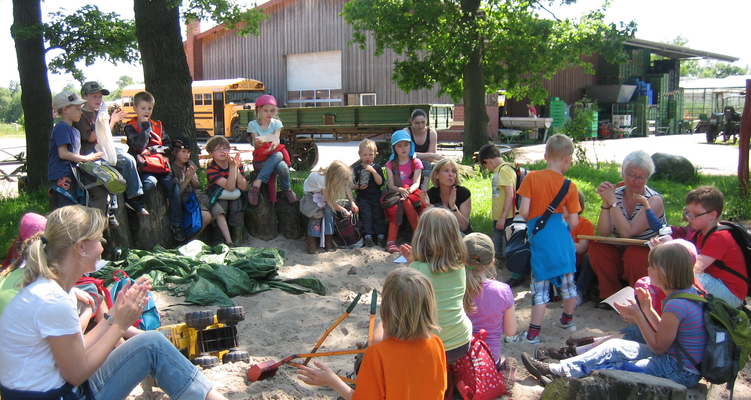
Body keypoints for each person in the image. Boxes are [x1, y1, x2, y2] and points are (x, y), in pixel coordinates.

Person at [0, 205, 228, 400]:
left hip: (58, 390)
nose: (102, 248)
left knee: (152, 343)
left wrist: (111, 317)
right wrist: (119, 325)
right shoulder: (54, 300)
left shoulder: (52, 289)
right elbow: (76, 373)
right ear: (81, 247)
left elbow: (76, 351)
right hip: (61, 394)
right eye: (99, 240)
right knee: (152, 346)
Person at [522, 242, 706, 389]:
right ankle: (558, 369)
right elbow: (665, 334)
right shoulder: (687, 294)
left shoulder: (676, 304)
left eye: (651, 266)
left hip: (679, 370)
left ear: (663, 274)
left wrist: (639, 316)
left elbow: (659, 347)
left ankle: (562, 376)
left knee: (616, 369)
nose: (648, 269)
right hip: (676, 360)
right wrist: (648, 310)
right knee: (615, 347)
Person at [297, 267, 447, 399]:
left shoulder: (377, 354)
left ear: (386, 308)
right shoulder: (436, 343)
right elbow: (440, 389)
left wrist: (332, 380)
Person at [505, 134, 581, 345]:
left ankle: (533, 335)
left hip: (541, 239)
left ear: (546, 155)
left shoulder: (531, 177)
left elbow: (524, 211)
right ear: (568, 158)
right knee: (568, 283)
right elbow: (575, 222)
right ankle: (567, 321)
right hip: (563, 240)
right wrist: (561, 225)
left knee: (540, 286)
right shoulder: (570, 186)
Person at [590, 150, 667, 306]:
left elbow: (627, 232)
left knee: (634, 253)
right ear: (623, 173)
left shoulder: (653, 200)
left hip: (649, 256)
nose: (636, 181)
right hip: (622, 250)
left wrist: (613, 202)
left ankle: (640, 298)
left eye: (641, 177)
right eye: (632, 175)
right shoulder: (616, 195)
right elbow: (604, 232)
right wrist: (606, 201)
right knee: (597, 248)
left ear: (648, 177)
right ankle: (610, 296)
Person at [399, 207, 472, 363]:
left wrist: (411, 264)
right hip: (461, 341)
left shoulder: (416, 269)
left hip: (430, 345)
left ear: (421, 236)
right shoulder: (459, 266)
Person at [74, 81, 146, 227]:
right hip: (91, 152)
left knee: (128, 159)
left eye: (100, 97)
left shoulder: (99, 112)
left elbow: (105, 134)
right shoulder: (81, 115)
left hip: (104, 148)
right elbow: (92, 138)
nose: (98, 99)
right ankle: (111, 209)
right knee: (108, 172)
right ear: (85, 97)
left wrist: (109, 122)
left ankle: (133, 197)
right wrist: (110, 121)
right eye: (94, 96)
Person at [124, 91, 184, 240]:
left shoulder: (158, 125)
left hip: (159, 164)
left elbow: (168, 146)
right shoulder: (130, 126)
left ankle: (177, 225)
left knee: (172, 186)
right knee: (150, 182)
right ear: (135, 108)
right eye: (143, 108)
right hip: (143, 166)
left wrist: (152, 150)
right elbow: (137, 147)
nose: (146, 111)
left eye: (149, 108)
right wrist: (145, 128)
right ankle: (133, 205)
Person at [463, 232, 517, 376]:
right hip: (489, 361)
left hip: (459, 363)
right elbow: (511, 331)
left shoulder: (454, 288)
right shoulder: (502, 290)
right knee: (507, 362)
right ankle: (501, 375)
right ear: (492, 261)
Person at [684, 186, 747, 308]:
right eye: (687, 212)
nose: (689, 217)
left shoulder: (719, 237)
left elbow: (694, 267)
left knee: (688, 277)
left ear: (712, 215)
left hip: (732, 294)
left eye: (695, 214)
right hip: (716, 284)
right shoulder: (698, 235)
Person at [48, 91, 105, 211]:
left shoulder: (75, 131)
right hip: (61, 176)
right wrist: (86, 158)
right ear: (65, 110)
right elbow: (63, 153)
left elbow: (75, 155)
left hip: (73, 175)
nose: (81, 112)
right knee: (66, 212)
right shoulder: (61, 127)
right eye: (77, 109)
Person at [246, 94, 297, 206]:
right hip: (261, 159)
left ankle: (259, 183)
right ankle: (286, 189)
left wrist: (273, 144)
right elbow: (256, 144)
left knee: (281, 163)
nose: (269, 113)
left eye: (272, 111)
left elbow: (276, 140)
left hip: (273, 155)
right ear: (259, 110)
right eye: (266, 110)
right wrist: (259, 143)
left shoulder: (276, 123)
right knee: (279, 156)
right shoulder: (253, 124)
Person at [477, 143, 518, 281]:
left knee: (505, 242)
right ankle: (498, 262)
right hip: (500, 216)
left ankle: (506, 266)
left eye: (486, 166)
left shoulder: (503, 170)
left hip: (505, 216)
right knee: (498, 242)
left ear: (488, 161)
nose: (488, 169)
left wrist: (503, 216)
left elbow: (510, 194)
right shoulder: (501, 169)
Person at [304, 160, 359, 253]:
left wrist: (352, 202)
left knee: (329, 212)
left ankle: (328, 241)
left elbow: (346, 188)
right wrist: (342, 210)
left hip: (324, 194)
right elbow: (330, 202)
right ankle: (312, 243)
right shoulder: (322, 179)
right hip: (312, 195)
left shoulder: (331, 177)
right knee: (317, 215)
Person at [384, 130, 424, 253]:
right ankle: (391, 241)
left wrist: (408, 191)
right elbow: (391, 185)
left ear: (410, 145)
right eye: (399, 146)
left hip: (413, 191)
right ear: (394, 148)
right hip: (397, 192)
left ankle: (420, 236)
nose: (403, 148)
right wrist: (401, 190)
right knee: (395, 208)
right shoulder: (390, 164)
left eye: (406, 145)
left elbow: (416, 183)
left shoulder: (416, 162)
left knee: (409, 202)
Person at [205, 136, 248, 247]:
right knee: (221, 206)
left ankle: (237, 238)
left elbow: (243, 187)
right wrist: (233, 167)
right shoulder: (211, 169)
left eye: (225, 148)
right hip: (217, 195)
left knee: (237, 205)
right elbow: (230, 187)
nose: (222, 151)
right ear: (211, 153)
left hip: (234, 195)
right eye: (218, 149)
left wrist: (236, 168)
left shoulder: (234, 163)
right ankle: (219, 239)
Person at [170, 137, 212, 241]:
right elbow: (177, 192)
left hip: (192, 197)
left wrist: (192, 177)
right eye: (183, 152)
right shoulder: (172, 167)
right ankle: (189, 240)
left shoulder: (189, 164)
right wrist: (187, 179)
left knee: (208, 215)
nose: (186, 155)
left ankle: (193, 240)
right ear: (175, 152)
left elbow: (197, 185)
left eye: (188, 152)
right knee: (206, 217)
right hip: (181, 200)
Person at [420, 158, 472, 234]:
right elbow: (429, 226)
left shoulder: (463, 193)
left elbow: (463, 226)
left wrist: (453, 207)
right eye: (446, 171)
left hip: (460, 234)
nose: (451, 174)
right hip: (439, 235)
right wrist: (428, 205)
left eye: (453, 171)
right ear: (436, 175)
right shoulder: (431, 194)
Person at [352, 139, 386, 248]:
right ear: (359, 155)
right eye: (365, 155)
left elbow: (380, 182)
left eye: (370, 155)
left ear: (375, 155)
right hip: (363, 197)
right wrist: (357, 186)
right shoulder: (357, 168)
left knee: (378, 216)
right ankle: (367, 236)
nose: (367, 157)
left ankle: (380, 236)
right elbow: (351, 185)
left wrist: (373, 171)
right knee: (365, 216)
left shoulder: (377, 167)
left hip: (376, 196)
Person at [404, 109, 444, 191]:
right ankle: (424, 192)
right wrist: (431, 154)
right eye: (417, 123)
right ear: (411, 122)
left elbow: (431, 159)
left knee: (440, 167)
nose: (420, 126)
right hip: (409, 162)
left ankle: (437, 192)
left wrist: (420, 155)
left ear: (427, 121)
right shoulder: (406, 132)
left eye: (423, 122)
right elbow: (407, 154)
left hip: (426, 163)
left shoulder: (431, 133)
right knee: (426, 164)